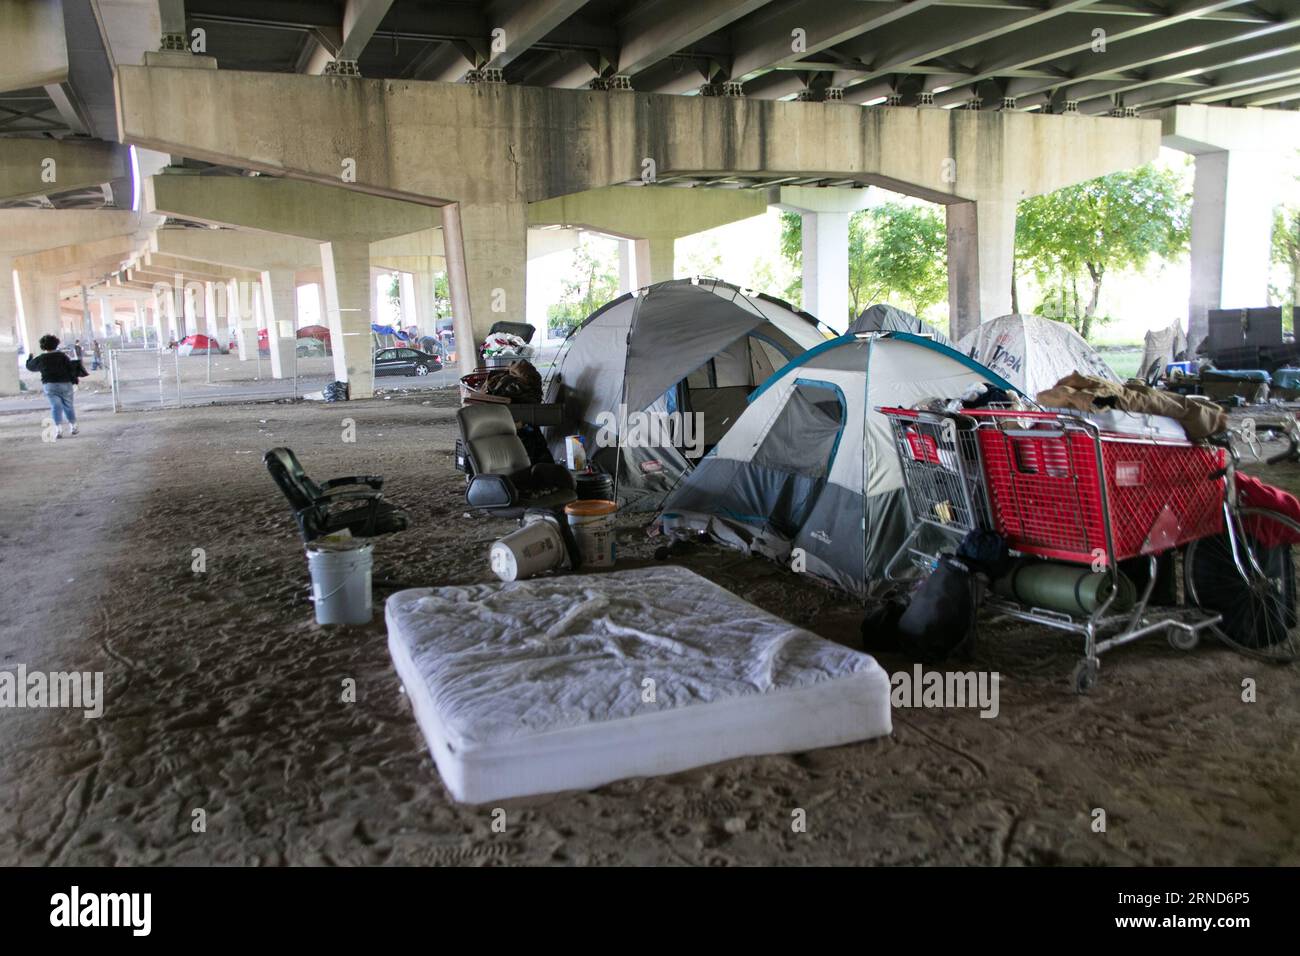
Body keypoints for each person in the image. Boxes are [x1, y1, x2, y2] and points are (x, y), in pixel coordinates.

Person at [26, 334, 85, 438]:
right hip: (65, 384)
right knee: (68, 405)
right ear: (56, 344)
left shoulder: (41, 358)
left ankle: (58, 430)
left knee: (55, 406)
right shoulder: (62, 356)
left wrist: (30, 357)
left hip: (50, 385)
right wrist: (75, 380)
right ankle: (73, 427)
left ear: (42, 346)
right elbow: (70, 369)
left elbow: (30, 367)